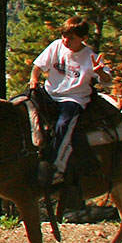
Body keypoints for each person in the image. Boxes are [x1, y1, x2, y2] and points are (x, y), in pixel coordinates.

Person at [29, 16, 110, 186]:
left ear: (83, 39)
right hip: (49, 93)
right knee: (22, 103)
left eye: (71, 37)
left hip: (73, 98)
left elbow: (107, 80)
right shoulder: (57, 46)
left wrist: (100, 72)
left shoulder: (90, 57)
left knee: (63, 125)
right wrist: (34, 80)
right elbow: (38, 66)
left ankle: (55, 168)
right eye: (64, 35)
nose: (66, 40)